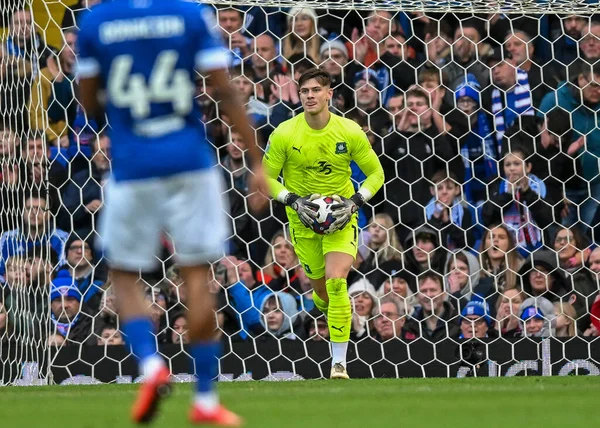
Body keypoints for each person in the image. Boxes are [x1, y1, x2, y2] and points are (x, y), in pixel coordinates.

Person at [76, 1, 267, 425]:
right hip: (190, 162)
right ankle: (205, 400)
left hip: (132, 165)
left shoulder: (96, 21)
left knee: (123, 275)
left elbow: (88, 105)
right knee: (198, 274)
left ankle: (150, 364)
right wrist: (256, 161)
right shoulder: (186, 14)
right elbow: (225, 88)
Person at [262, 68, 384, 379]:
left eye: (317, 90)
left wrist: (355, 202)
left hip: (342, 217)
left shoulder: (349, 131)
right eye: (305, 91)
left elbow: (376, 174)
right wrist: (292, 200)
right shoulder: (285, 133)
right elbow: (265, 179)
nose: (310, 96)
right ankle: (323, 302)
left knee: (335, 281)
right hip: (302, 223)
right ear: (299, 95)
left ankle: (339, 364)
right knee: (323, 292)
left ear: (329, 94)